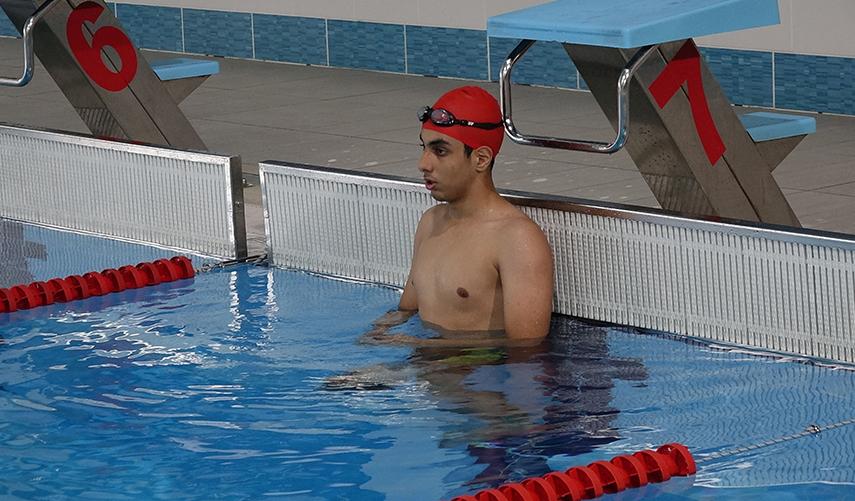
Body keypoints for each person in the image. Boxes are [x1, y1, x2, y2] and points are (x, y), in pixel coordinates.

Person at [364, 86, 554, 347]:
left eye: (440, 151)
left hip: (478, 371)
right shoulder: (430, 222)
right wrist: (378, 330)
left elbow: (526, 347)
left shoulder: (516, 238)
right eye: (424, 148)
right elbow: (406, 309)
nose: (423, 164)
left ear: (481, 159)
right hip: (424, 365)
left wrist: (418, 345)